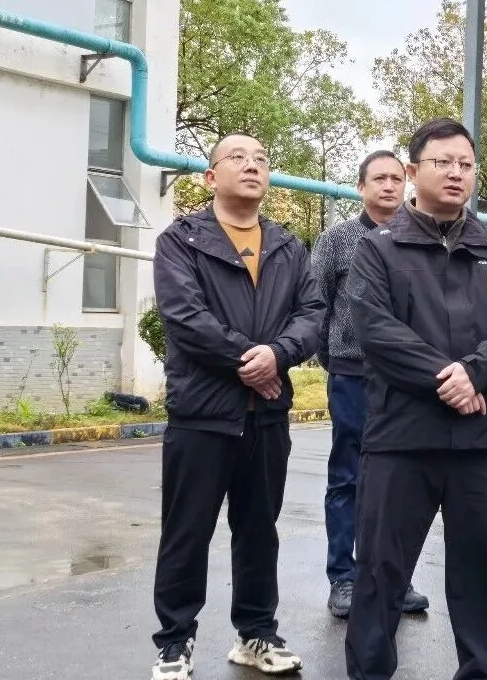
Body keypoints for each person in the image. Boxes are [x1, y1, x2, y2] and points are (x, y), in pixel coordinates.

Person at [344, 117, 487, 680]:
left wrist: (474, 374)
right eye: (443, 162)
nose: (456, 173)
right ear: (412, 171)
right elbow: (376, 331)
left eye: (466, 165)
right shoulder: (378, 248)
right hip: (401, 440)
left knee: (481, 576)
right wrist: (449, 380)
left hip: (480, 443)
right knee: (380, 574)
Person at [150, 132, 324, 680]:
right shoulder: (181, 241)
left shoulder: (288, 246)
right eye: (238, 157)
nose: (252, 165)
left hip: (266, 417)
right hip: (202, 414)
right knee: (187, 531)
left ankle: (256, 633)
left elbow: (312, 313)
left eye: (261, 159)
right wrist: (251, 361)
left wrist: (279, 354)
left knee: (258, 529)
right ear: (210, 177)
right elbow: (185, 317)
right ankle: (174, 641)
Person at [310, 150, 430, 618]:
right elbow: (316, 305)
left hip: (408, 380)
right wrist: (336, 359)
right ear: (361, 187)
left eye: (396, 178)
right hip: (354, 376)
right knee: (349, 477)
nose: (389, 186)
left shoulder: (419, 238)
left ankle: (393, 576)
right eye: (378, 178)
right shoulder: (337, 240)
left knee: (401, 479)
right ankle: (344, 577)